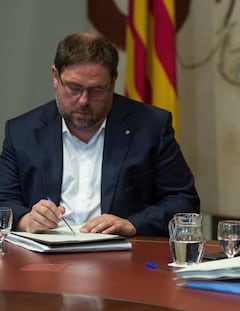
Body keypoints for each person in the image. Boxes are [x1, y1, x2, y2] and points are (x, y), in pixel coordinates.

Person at [0, 32, 200, 237]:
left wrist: (132, 224)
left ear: (113, 81)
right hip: (45, 259)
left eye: (96, 90)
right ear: (55, 76)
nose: (83, 101)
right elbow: (4, 200)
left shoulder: (150, 126)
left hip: (122, 255)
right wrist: (27, 221)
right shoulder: (22, 132)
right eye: (74, 87)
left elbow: (184, 201)